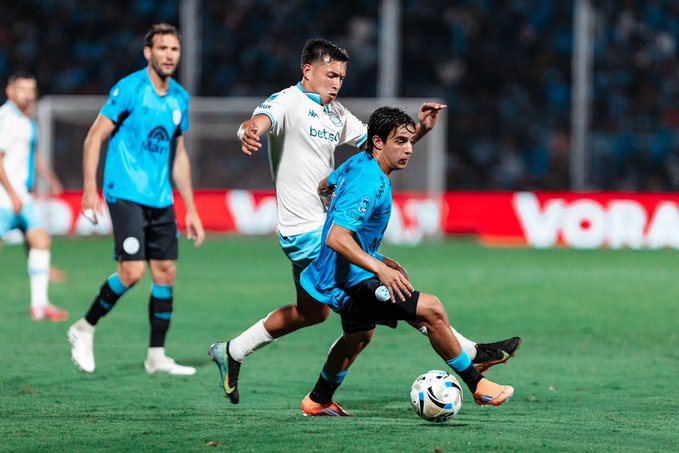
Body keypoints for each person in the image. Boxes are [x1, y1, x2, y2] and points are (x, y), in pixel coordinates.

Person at [209, 39, 520, 404]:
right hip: (307, 233)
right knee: (395, 291)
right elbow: (259, 121)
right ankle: (469, 354)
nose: (337, 83)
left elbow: (381, 145)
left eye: (341, 76)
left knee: (315, 314)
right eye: (330, 75)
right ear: (308, 71)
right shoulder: (287, 102)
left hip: (323, 225)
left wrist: (421, 129)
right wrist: (249, 130)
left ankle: (233, 351)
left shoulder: (336, 114)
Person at [299, 107, 514, 416]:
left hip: (341, 272)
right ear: (377, 142)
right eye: (401, 141)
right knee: (431, 309)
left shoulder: (359, 162)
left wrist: (378, 256)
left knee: (358, 336)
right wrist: (379, 267)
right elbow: (336, 237)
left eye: (410, 141)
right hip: (346, 281)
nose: (409, 149)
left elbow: (325, 186)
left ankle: (318, 400)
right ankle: (477, 383)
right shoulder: (369, 181)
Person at [67, 24, 205, 375]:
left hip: (161, 198)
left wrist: (190, 208)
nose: (169, 55)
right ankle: (84, 327)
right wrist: (89, 188)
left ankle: (156, 357)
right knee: (131, 273)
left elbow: (179, 155)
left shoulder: (180, 98)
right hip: (125, 192)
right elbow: (94, 137)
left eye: (175, 49)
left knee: (166, 272)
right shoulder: (129, 89)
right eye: (163, 48)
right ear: (148, 52)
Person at [0, 71, 69, 322]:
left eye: (32, 89)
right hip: (5, 197)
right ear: (10, 91)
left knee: (40, 240)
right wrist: (12, 194)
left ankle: (39, 306)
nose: (29, 94)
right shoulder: (5, 119)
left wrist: (50, 178)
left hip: (23, 196)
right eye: (23, 89)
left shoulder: (26, 121)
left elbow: (32, 154)